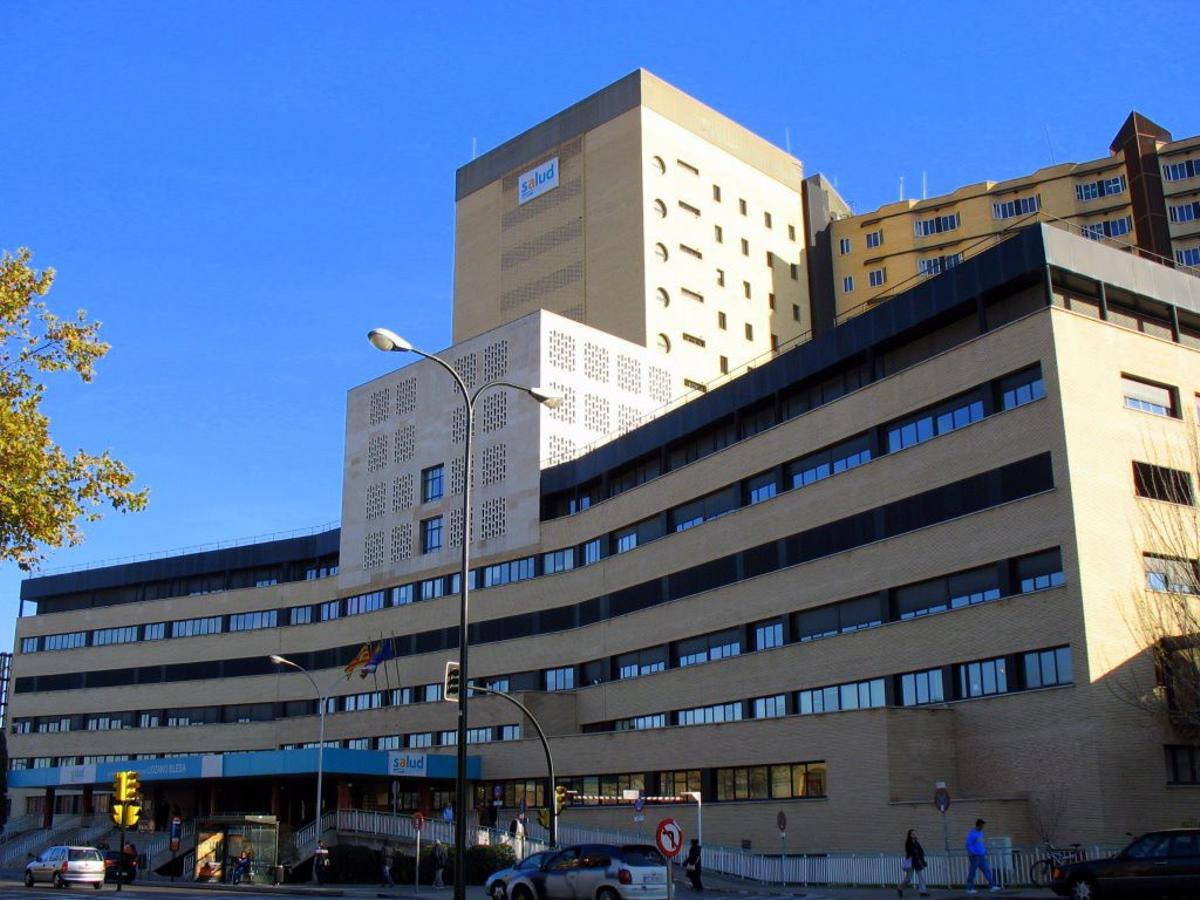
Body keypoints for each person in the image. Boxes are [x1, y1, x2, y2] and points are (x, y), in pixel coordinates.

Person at [964, 819, 1000, 894]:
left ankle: (992, 886)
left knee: (986, 870)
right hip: (975, 856)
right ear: (979, 825)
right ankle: (969, 888)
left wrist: (984, 852)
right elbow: (968, 845)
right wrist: (973, 853)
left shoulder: (981, 833)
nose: (983, 827)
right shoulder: (972, 834)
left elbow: (980, 844)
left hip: (981, 856)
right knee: (972, 872)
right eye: (982, 825)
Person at [897, 828, 928, 897]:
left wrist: (922, 858)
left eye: (915, 833)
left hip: (917, 862)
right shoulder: (908, 842)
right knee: (908, 879)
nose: (914, 835)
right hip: (911, 862)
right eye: (913, 834)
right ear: (910, 835)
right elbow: (910, 851)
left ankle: (923, 892)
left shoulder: (916, 842)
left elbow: (920, 851)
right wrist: (916, 851)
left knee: (921, 877)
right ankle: (900, 888)